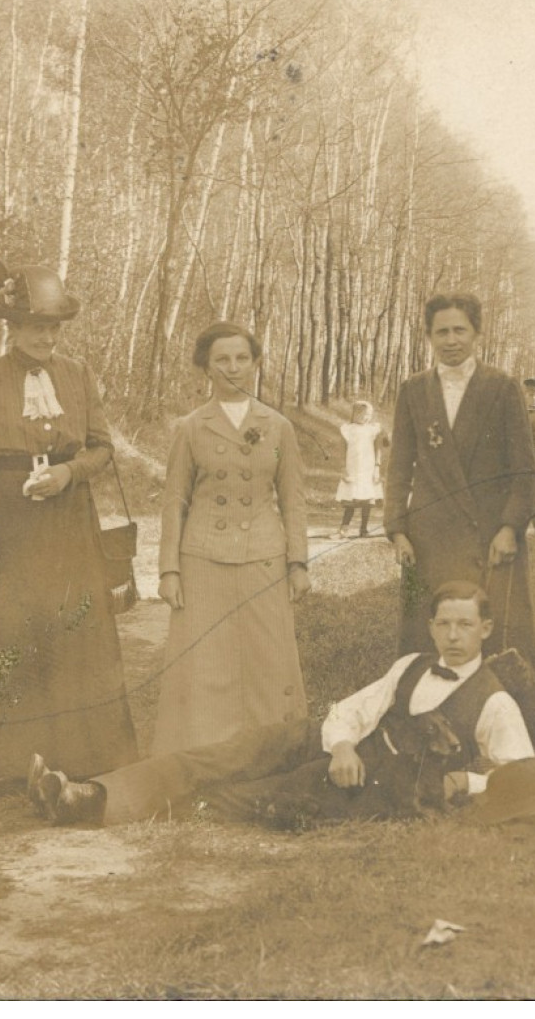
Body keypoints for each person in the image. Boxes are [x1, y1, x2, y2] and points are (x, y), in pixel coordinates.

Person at [28, 581, 535, 827]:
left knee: (242, 797)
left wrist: (465, 782)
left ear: (485, 629)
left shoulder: (494, 703)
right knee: (223, 755)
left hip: (372, 782)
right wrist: (339, 745)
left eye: (465, 625)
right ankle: (89, 792)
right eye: (443, 623)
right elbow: (354, 708)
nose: (452, 635)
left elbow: (525, 776)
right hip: (332, 744)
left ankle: (88, 808)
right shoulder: (412, 663)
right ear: (430, 626)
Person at [0, 260, 138, 781]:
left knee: (75, 627)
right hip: (9, 520)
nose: (46, 338)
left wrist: (69, 473)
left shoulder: (78, 376)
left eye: (54, 328)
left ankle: (80, 756)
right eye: (36, 327)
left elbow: (103, 449)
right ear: (12, 328)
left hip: (70, 517)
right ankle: (13, 760)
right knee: (13, 630)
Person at [152, 321, 311, 756]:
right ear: (206, 368)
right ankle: (201, 759)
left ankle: (271, 755)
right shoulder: (191, 427)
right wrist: (169, 569)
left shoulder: (277, 426)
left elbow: (293, 499)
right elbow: (174, 501)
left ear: (256, 364)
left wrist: (298, 562)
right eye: (222, 359)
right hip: (202, 557)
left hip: (263, 556)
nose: (233, 368)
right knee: (205, 664)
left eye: (242, 358)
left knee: (267, 658)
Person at [385, 294, 535, 673]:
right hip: (430, 539)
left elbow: (523, 471)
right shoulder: (413, 390)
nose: (451, 340)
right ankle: (426, 722)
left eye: (460, 330)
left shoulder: (501, 387)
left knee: (497, 641)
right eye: (442, 332)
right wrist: (397, 530)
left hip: (490, 537)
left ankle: (505, 722)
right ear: (428, 336)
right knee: (429, 643)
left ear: (476, 333)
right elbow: (398, 468)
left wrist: (510, 528)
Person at [333, 400, 386, 539]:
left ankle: (364, 529)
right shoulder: (347, 429)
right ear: (355, 414)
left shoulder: (373, 429)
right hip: (353, 467)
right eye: (363, 414)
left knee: (367, 499)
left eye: (369, 414)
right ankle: (344, 528)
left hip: (367, 468)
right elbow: (341, 449)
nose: (366, 417)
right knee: (351, 498)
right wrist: (342, 467)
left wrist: (377, 467)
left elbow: (378, 449)